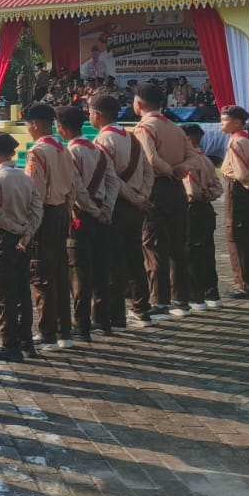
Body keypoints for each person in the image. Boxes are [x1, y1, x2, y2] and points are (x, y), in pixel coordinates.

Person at [0, 132, 43, 363]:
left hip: (5, 238)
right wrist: (28, 232)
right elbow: (38, 208)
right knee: (23, 290)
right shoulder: (26, 178)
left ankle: (9, 341)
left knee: (4, 291)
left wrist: (15, 229)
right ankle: (26, 339)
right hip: (24, 239)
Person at [92, 93, 151, 330]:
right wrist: (143, 196)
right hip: (136, 206)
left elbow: (111, 178)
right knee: (135, 258)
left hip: (117, 205)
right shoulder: (132, 137)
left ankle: (117, 316)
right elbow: (148, 171)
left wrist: (134, 198)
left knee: (113, 263)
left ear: (96, 114)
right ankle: (142, 308)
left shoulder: (103, 141)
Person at [132, 82, 190, 320]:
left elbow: (150, 158)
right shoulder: (176, 128)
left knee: (155, 246)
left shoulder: (144, 128)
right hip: (176, 189)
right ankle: (180, 298)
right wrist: (180, 170)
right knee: (178, 244)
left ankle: (160, 301)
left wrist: (169, 170)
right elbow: (195, 155)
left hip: (156, 187)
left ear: (139, 104)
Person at [22, 103, 76, 351]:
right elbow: (73, 187)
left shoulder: (38, 152)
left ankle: (47, 331)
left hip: (44, 216)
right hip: (61, 213)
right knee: (60, 273)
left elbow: (36, 193)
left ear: (34, 124)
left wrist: (29, 226)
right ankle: (65, 329)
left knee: (42, 275)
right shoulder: (63, 149)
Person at [61, 106, 116, 340]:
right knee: (101, 268)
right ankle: (102, 319)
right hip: (101, 214)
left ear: (62, 129)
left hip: (82, 216)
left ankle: (81, 323)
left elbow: (77, 188)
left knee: (80, 272)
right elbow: (113, 182)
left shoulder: (70, 152)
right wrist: (107, 209)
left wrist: (94, 211)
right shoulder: (98, 150)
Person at [218, 106, 249, 300]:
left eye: (224, 120)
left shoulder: (237, 142)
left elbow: (240, 172)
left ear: (237, 123)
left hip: (238, 189)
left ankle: (245, 284)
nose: (221, 124)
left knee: (236, 235)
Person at [180, 123, 223, 308]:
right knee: (207, 251)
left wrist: (197, 194)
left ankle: (195, 296)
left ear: (188, 139)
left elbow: (190, 189)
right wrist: (209, 194)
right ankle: (211, 293)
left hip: (193, 208)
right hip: (206, 208)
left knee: (192, 252)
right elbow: (217, 186)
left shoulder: (188, 161)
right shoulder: (205, 159)